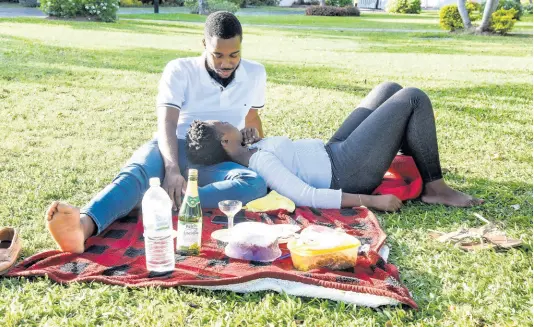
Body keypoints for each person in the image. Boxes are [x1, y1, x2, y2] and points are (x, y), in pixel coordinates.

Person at [45, 11, 269, 254]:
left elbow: (253, 119)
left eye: (234, 55)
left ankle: (170, 200)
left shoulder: (255, 73)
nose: (226, 63)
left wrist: (253, 138)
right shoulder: (179, 69)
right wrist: (172, 169)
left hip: (217, 159)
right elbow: (167, 123)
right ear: (204, 44)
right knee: (136, 175)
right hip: (174, 147)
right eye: (218, 55)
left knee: (255, 183)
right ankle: (82, 227)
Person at [185, 82, 484, 212]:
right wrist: (372, 202)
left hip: (334, 149)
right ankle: (436, 188)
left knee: (389, 89)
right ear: (225, 141)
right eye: (221, 124)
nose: (226, 122)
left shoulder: (251, 148)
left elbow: (285, 154)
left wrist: (254, 137)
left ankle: (414, 167)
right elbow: (307, 196)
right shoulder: (260, 165)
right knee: (413, 97)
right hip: (346, 171)